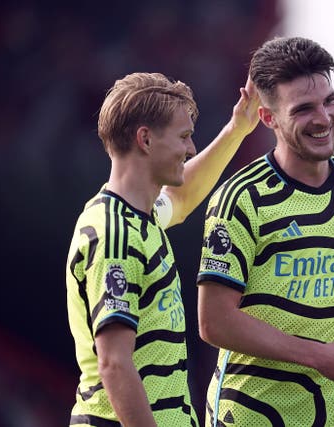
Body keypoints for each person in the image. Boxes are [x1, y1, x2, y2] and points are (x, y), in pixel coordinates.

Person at [197, 37, 334, 426]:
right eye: (303, 109)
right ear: (269, 118)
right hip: (254, 414)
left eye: (329, 101)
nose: (324, 118)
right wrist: (319, 354)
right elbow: (214, 321)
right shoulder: (241, 200)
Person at [66, 72, 259, 426]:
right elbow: (114, 363)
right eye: (184, 137)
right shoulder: (115, 234)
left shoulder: (142, 216)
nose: (190, 149)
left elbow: (182, 199)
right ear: (145, 139)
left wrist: (237, 128)